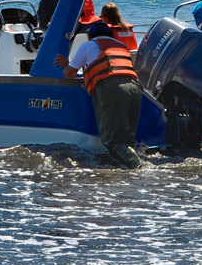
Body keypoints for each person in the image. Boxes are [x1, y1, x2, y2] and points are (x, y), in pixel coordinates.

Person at [54, 22, 142, 169]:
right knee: (127, 139)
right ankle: (125, 169)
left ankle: (138, 168)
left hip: (113, 90)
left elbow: (69, 73)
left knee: (113, 142)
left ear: (90, 36)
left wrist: (65, 64)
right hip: (135, 87)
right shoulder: (121, 46)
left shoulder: (88, 46)